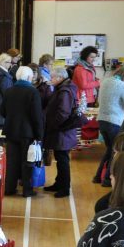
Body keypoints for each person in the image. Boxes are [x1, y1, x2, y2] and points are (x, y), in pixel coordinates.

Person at [0, 66, 44, 198]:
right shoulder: (33, 92)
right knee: (27, 161)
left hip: (11, 131)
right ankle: (27, 190)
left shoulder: (9, 91)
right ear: (30, 78)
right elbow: (37, 116)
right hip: (27, 133)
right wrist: (39, 134)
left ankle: (9, 188)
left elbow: (2, 111)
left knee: (12, 161)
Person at [43, 66, 85, 198]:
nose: (51, 80)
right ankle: (59, 183)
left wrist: (52, 125)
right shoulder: (63, 88)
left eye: (52, 77)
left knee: (62, 160)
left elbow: (63, 113)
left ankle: (65, 188)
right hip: (62, 131)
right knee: (60, 159)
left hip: (62, 131)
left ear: (60, 78)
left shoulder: (64, 91)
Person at [94, 64, 124, 186]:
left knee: (109, 149)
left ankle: (97, 176)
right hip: (115, 121)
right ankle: (106, 179)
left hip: (102, 120)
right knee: (115, 152)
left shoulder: (105, 82)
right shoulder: (123, 86)